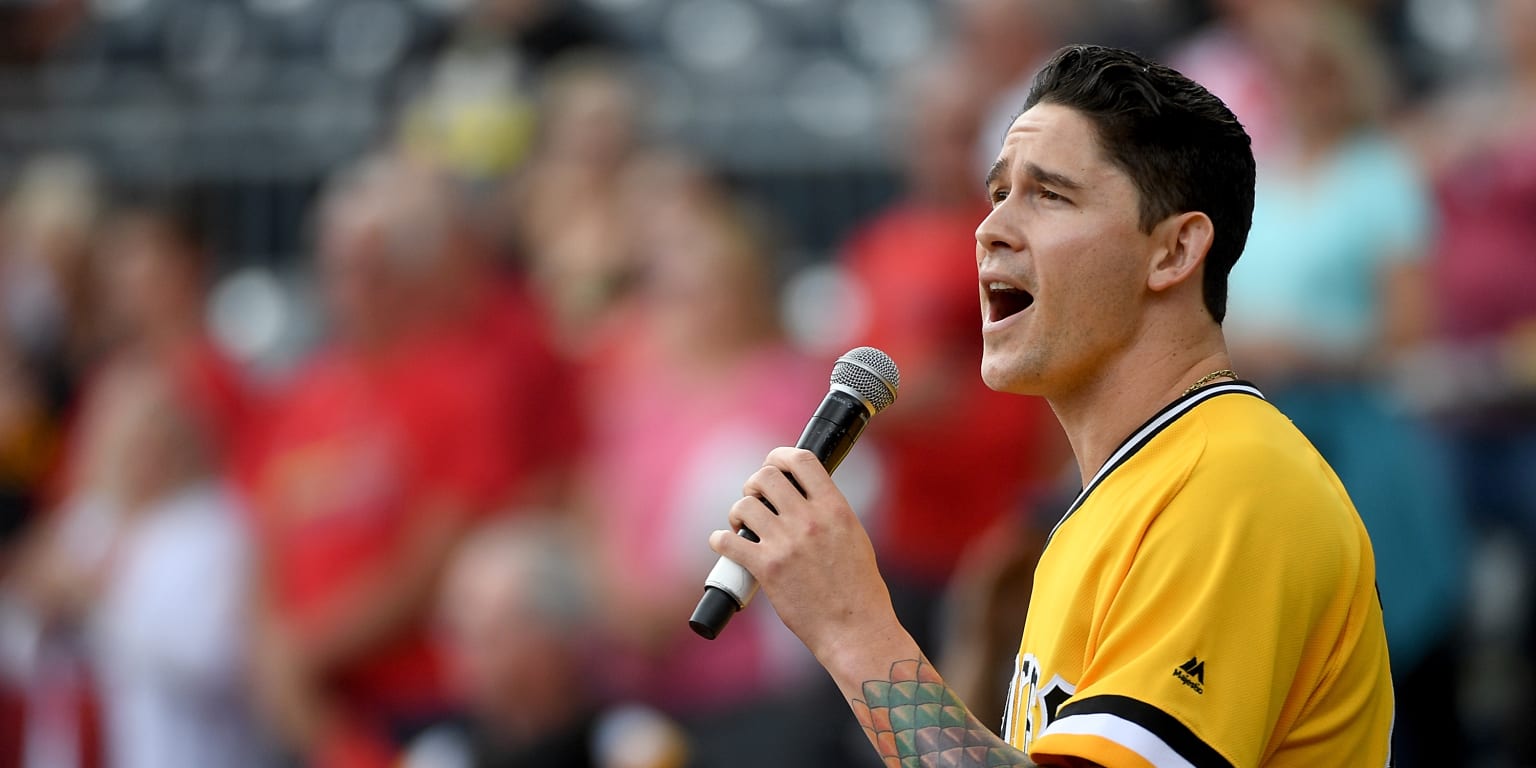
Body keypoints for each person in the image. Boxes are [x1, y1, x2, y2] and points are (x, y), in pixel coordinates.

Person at [707, 45, 1394, 767]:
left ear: (1174, 252)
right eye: (998, 191)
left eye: (1050, 195)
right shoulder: (1123, 493)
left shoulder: (1234, 484)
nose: (990, 227)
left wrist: (852, 627)